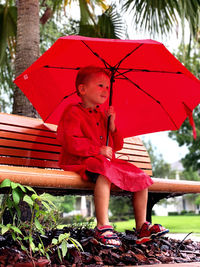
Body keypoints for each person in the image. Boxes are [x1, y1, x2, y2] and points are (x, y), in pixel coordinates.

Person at [57, 66, 169, 247]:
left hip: (101, 162)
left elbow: (117, 145)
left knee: (140, 176)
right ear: (82, 89)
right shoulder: (73, 112)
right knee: (104, 170)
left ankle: (141, 227)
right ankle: (102, 225)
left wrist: (113, 127)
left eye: (107, 88)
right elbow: (71, 142)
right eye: (100, 85)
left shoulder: (103, 116)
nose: (105, 91)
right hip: (80, 161)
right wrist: (97, 149)